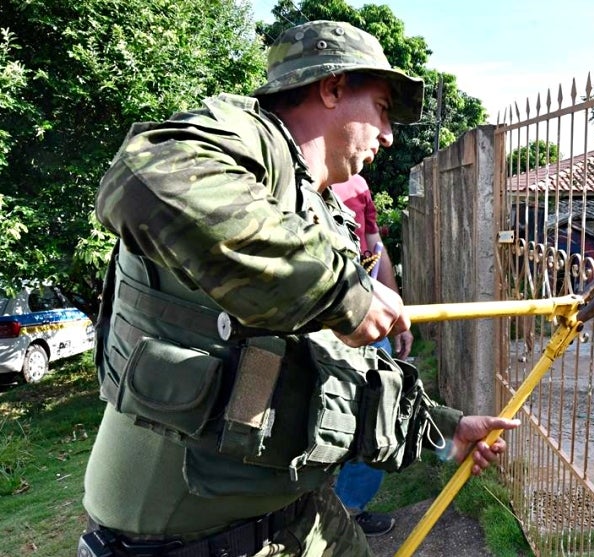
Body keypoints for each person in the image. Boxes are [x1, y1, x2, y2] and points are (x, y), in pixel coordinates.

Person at [81, 19, 519, 557]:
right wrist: (346, 292)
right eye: (382, 109)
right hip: (188, 540)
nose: (388, 135)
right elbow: (147, 178)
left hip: (294, 515)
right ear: (332, 87)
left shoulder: (320, 207)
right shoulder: (251, 138)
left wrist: (442, 429)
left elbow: (326, 370)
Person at [330, 174, 411, 536]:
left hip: (369, 328)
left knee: (380, 420)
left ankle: (348, 510)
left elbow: (377, 253)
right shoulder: (283, 177)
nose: (385, 137)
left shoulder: (359, 186)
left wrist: (399, 318)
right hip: (313, 328)